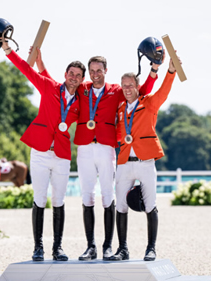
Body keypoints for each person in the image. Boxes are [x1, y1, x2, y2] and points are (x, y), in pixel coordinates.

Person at [36, 53, 158, 260]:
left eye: (98, 71)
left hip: (106, 148)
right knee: (87, 195)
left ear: (105, 71)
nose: (95, 75)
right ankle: (90, 246)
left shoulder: (116, 91)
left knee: (108, 196)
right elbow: (53, 84)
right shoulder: (81, 89)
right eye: (91, 71)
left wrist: (153, 71)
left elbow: (142, 91)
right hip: (84, 148)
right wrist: (40, 62)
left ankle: (107, 247)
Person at [1, 41, 85, 262]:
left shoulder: (81, 102)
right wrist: (8, 50)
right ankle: (38, 247)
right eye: (72, 73)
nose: (74, 77)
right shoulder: (49, 86)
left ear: (82, 80)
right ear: (65, 74)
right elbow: (26, 70)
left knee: (58, 200)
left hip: (62, 156)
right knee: (39, 199)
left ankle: (58, 248)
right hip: (39, 152)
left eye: (78, 75)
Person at [109, 55, 180, 262]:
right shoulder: (121, 109)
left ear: (138, 86)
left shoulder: (149, 103)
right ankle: (122, 249)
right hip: (124, 162)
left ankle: (151, 249)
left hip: (145, 161)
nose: (127, 89)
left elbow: (164, 92)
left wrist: (171, 71)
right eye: (124, 86)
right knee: (120, 205)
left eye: (130, 85)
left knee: (150, 204)